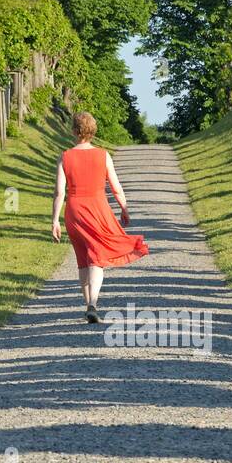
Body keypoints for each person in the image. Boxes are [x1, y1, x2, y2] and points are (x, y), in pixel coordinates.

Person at [51, 111, 148, 323]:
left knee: (82, 259)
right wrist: (124, 208)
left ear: (74, 131)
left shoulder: (65, 156)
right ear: (93, 131)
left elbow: (60, 192)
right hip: (97, 209)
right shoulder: (103, 155)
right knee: (97, 257)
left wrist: (55, 220)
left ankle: (88, 305)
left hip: (74, 211)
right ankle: (93, 303)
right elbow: (116, 187)